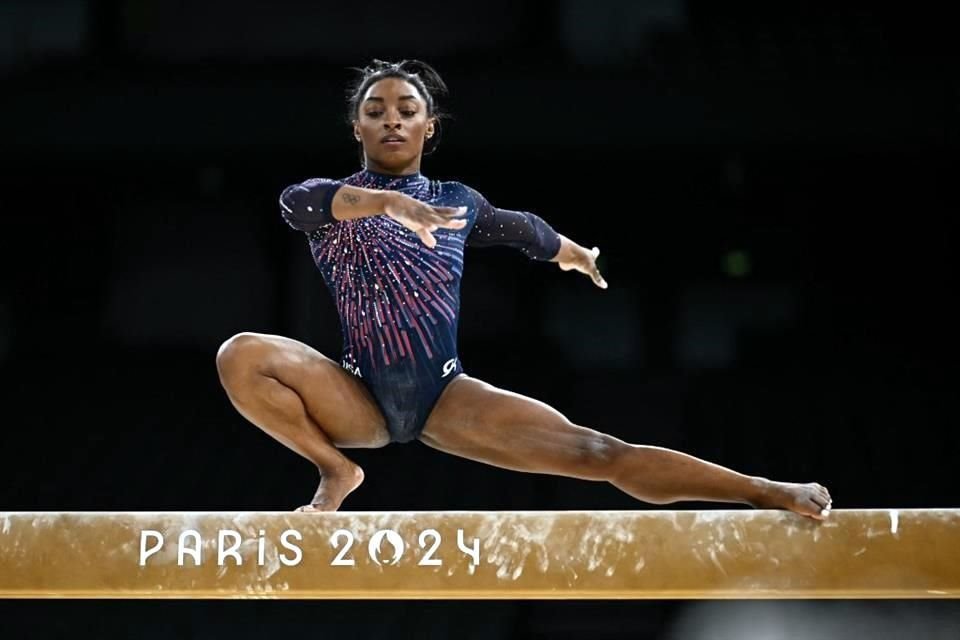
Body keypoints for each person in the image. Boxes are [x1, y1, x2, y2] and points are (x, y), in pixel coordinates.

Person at [215, 59, 832, 519]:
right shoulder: (330, 200)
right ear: (357, 128)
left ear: (430, 127)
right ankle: (334, 468)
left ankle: (767, 491)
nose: (392, 119)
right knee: (242, 354)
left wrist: (573, 253)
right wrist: (385, 202)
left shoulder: (457, 203)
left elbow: (522, 230)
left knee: (598, 453)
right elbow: (296, 204)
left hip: (444, 394)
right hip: (354, 394)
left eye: (406, 109)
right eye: (376, 111)